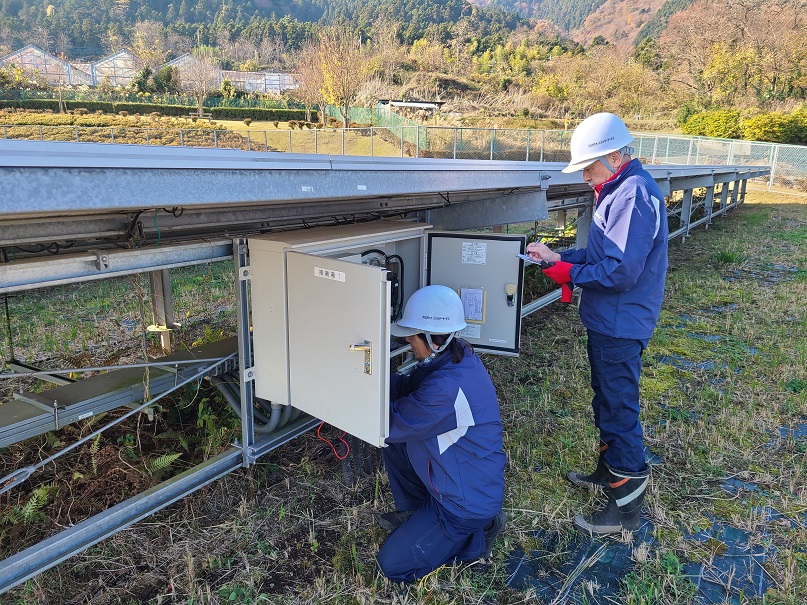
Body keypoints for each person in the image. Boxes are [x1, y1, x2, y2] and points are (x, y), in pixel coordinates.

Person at [527, 112, 668, 535]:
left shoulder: (633, 195)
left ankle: (625, 508)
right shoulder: (619, 190)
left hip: (621, 325)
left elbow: (620, 271)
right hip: (610, 321)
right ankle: (610, 473)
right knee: (606, 402)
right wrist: (562, 257)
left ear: (611, 156)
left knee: (619, 409)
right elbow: (603, 254)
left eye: (587, 167)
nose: (585, 176)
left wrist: (568, 274)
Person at [375, 285, 507, 582]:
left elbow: (387, 422)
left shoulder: (445, 389)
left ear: (435, 340)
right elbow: (406, 389)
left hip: (464, 504)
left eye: (414, 333)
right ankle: (418, 514)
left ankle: (475, 536)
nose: (408, 339)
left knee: (392, 565)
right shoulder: (454, 359)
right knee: (394, 446)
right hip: (461, 480)